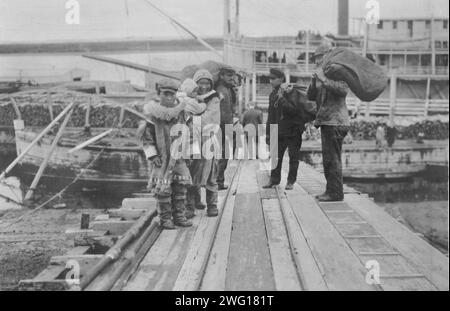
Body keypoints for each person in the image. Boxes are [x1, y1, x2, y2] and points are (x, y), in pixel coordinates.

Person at [137, 78, 192, 230]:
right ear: (158, 93)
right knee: (163, 189)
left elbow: (190, 133)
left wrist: (189, 154)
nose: (169, 97)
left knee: (180, 187)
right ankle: (165, 218)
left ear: (176, 94)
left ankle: (179, 215)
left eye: (172, 94)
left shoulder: (182, 113)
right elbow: (146, 137)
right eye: (165, 94)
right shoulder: (152, 114)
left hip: (179, 157)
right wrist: (153, 155)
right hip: (162, 158)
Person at [307, 44, 350, 202]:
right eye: (316, 58)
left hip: (336, 121)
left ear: (328, 56)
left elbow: (344, 90)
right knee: (328, 159)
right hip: (326, 121)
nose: (318, 61)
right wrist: (314, 81)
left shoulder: (336, 71)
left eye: (320, 57)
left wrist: (324, 79)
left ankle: (336, 193)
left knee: (333, 159)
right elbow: (310, 96)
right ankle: (330, 191)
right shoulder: (321, 73)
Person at [186, 69, 221, 218]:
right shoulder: (190, 98)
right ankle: (191, 204)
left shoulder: (214, 98)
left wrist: (192, 119)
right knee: (191, 172)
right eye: (201, 83)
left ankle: (212, 205)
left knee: (211, 174)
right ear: (196, 84)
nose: (204, 86)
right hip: (193, 141)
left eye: (207, 83)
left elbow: (209, 120)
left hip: (209, 140)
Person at [263, 68, 305, 191]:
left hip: (293, 130)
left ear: (281, 79)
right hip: (278, 130)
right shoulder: (272, 94)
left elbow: (294, 111)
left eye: (273, 79)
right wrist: (268, 134)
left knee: (293, 158)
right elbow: (271, 116)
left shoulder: (291, 92)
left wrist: (282, 99)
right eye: (270, 78)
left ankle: (291, 181)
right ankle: (274, 180)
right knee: (275, 157)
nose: (270, 81)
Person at [215, 66, 238, 190]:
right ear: (221, 76)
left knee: (224, 154)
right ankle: (217, 181)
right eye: (229, 76)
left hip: (226, 125)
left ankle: (218, 181)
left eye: (232, 76)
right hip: (221, 126)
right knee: (221, 155)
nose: (231, 78)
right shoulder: (220, 90)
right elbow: (221, 112)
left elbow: (230, 108)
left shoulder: (228, 89)